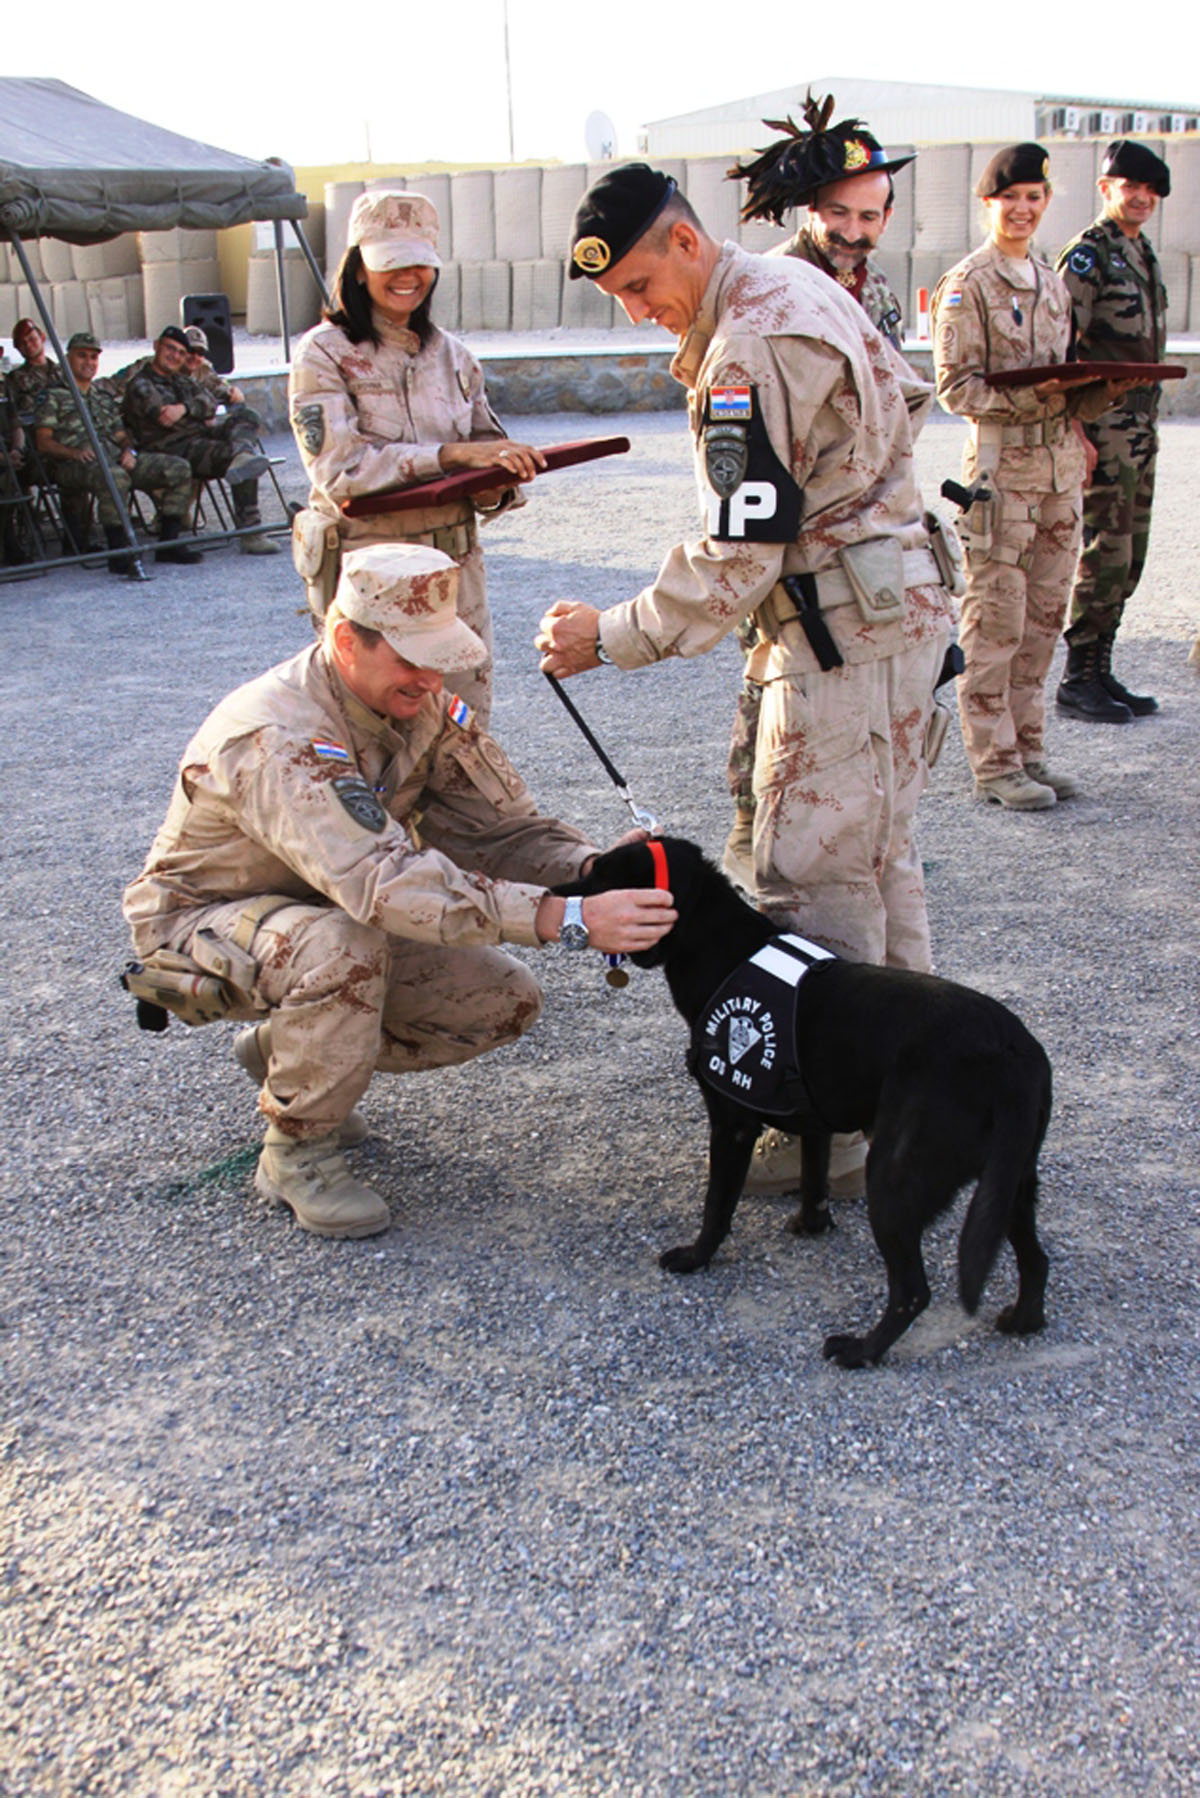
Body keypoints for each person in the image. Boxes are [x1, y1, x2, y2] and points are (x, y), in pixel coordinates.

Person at [537, 164, 954, 1199]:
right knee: (878, 855)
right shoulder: (798, 285)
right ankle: (914, 1080)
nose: (639, 312)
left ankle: (836, 1121)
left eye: (642, 284)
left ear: (686, 242)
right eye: (619, 299)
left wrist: (613, 633)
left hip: (839, 637)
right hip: (891, 612)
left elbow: (740, 550)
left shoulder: (748, 341)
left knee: (811, 872)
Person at [122, 541, 675, 1240]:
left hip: (330, 910)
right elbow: (380, 881)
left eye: (440, 656)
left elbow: (498, 830)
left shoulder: (422, 704)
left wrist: (587, 871)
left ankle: (291, 1051)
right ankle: (295, 1151)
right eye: (411, 659)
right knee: (340, 947)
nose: (430, 678)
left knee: (502, 1001)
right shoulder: (278, 734)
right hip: (205, 924)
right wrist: (562, 917)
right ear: (346, 640)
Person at [720, 93, 916, 882]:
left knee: (869, 692)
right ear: (809, 208)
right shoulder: (772, 288)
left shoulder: (878, 295)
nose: (855, 231)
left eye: (871, 216)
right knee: (774, 683)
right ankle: (750, 834)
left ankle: (863, 834)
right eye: (840, 212)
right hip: (788, 526)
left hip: (861, 532)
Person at [288, 191, 545, 726]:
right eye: (390, 263)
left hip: (454, 580)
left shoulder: (454, 357)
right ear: (359, 269)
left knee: (462, 728)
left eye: (419, 263)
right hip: (374, 583)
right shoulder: (325, 354)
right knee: (377, 732)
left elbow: (489, 449)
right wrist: (450, 456)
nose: (407, 276)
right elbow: (340, 471)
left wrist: (495, 481)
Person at [932, 144, 1126, 810]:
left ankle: (1030, 752)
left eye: (1034, 198)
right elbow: (955, 388)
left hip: (1056, 475)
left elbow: (1064, 380)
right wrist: (1035, 396)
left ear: (1046, 203)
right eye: (1009, 198)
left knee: (1043, 622)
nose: (1022, 210)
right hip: (1001, 477)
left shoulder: (1049, 280)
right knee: (995, 624)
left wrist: (1097, 393)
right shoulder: (970, 283)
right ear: (988, 204)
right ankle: (993, 763)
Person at [1055, 140, 1171, 721]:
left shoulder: (1142, 252)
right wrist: (1075, 427)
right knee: (1106, 547)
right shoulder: (1090, 254)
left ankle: (1102, 667)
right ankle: (1078, 677)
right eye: (1132, 187)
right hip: (1103, 425)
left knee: (1131, 553)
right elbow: (1061, 344)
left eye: (1151, 191)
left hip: (1140, 426)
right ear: (1107, 189)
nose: (1142, 198)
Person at [34, 331, 199, 570]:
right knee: (114, 476)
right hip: (72, 464)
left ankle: (169, 544)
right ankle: (119, 552)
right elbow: (43, 442)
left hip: (113, 458)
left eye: (93, 357)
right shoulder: (53, 396)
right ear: (68, 358)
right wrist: (73, 453)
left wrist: (128, 451)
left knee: (178, 468)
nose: (88, 362)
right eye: (82, 356)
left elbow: (122, 435)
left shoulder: (103, 397)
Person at [123, 325, 280, 556]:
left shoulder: (182, 381)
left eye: (180, 352)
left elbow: (209, 402)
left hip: (197, 438)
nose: (175, 356)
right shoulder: (141, 383)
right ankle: (251, 532)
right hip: (170, 447)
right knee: (236, 456)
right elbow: (164, 417)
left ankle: (242, 456)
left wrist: (184, 408)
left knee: (247, 417)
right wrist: (193, 410)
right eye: (169, 349)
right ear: (156, 347)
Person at [6, 318, 65, 420]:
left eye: (32, 339)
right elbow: (11, 417)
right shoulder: (15, 378)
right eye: (22, 343)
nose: (28, 345)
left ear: (42, 338)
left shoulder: (63, 372)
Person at [184, 324, 246, 407]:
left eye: (200, 353)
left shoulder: (203, 368)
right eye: (191, 351)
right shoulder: (170, 369)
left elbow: (217, 386)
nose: (195, 357)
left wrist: (232, 392)